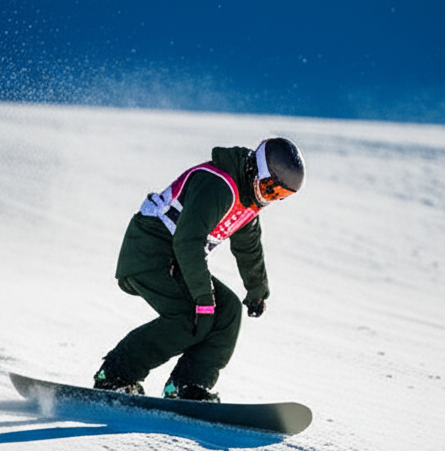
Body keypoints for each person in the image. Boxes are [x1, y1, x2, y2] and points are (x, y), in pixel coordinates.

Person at [94, 137, 306, 401]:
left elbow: (248, 247)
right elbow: (188, 241)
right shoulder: (218, 186)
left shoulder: (249, 200)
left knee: (227, 310)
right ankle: (114, 376)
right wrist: (203, 300)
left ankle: (187, 386)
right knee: (187, 317)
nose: (269, 198)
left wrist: (257, 290)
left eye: (279, 195)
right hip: (148, 251)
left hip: (176, 257)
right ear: (254, 169)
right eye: (268, 187)